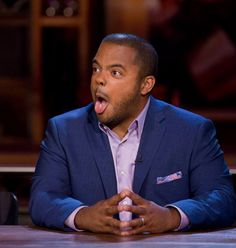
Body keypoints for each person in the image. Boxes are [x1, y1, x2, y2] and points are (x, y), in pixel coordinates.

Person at [29, 33, 236, 235]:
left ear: (145, 85)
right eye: (96, 68)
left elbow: (223, 198)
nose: (99, 79)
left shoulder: (191, 131)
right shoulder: (64, 131)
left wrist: (171, 217)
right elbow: (42, 198)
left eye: (115, 72)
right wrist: (83, 216)